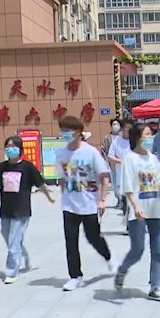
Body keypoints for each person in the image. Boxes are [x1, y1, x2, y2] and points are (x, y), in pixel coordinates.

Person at [0, 135, 55, 284]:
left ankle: (11, 272)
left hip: (21, 210)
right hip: (6, 209)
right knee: (7, 236)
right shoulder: (2, 167)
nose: (10, 149)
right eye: (7, 146)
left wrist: (49, 196)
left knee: (14, 241)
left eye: (13, 146)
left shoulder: (27, 167)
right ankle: (24, 256)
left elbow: (40, 183)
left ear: (20, 149)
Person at [54, 115, 113, 291]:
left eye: (69, 130)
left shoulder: (90, 152)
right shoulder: (61, 153)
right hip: (69, 205)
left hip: (89, 204)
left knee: (93, 237)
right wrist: (63, 195)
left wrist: (102, 200)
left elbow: (104, 177)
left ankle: (108, 258)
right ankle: (75, 276)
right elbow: (62, 178)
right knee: (70, 241)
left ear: (79, 132)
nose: (65, 134)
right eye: (63, 130)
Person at [115, 123, 160, 302]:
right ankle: (122, 270)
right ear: (137, 137)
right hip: (138, 211)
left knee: (158, 250)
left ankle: (155, 287)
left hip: (155, 210)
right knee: (137, 250)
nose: (150, 138)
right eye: (147, 134)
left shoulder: (153, 159)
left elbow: (159, 180)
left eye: (151, 134)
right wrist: (135, 206)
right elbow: (128, 187)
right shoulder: (129, 158)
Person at [108, 119, 133, 221]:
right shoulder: (116, 142)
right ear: (122, 129)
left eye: (130, 128)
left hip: (134, 177)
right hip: (122, 176)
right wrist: (121, 161)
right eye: (127, 128)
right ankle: (128, 222)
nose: (129, 130)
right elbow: (110, 157)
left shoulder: (135, 141)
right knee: (125, 202)